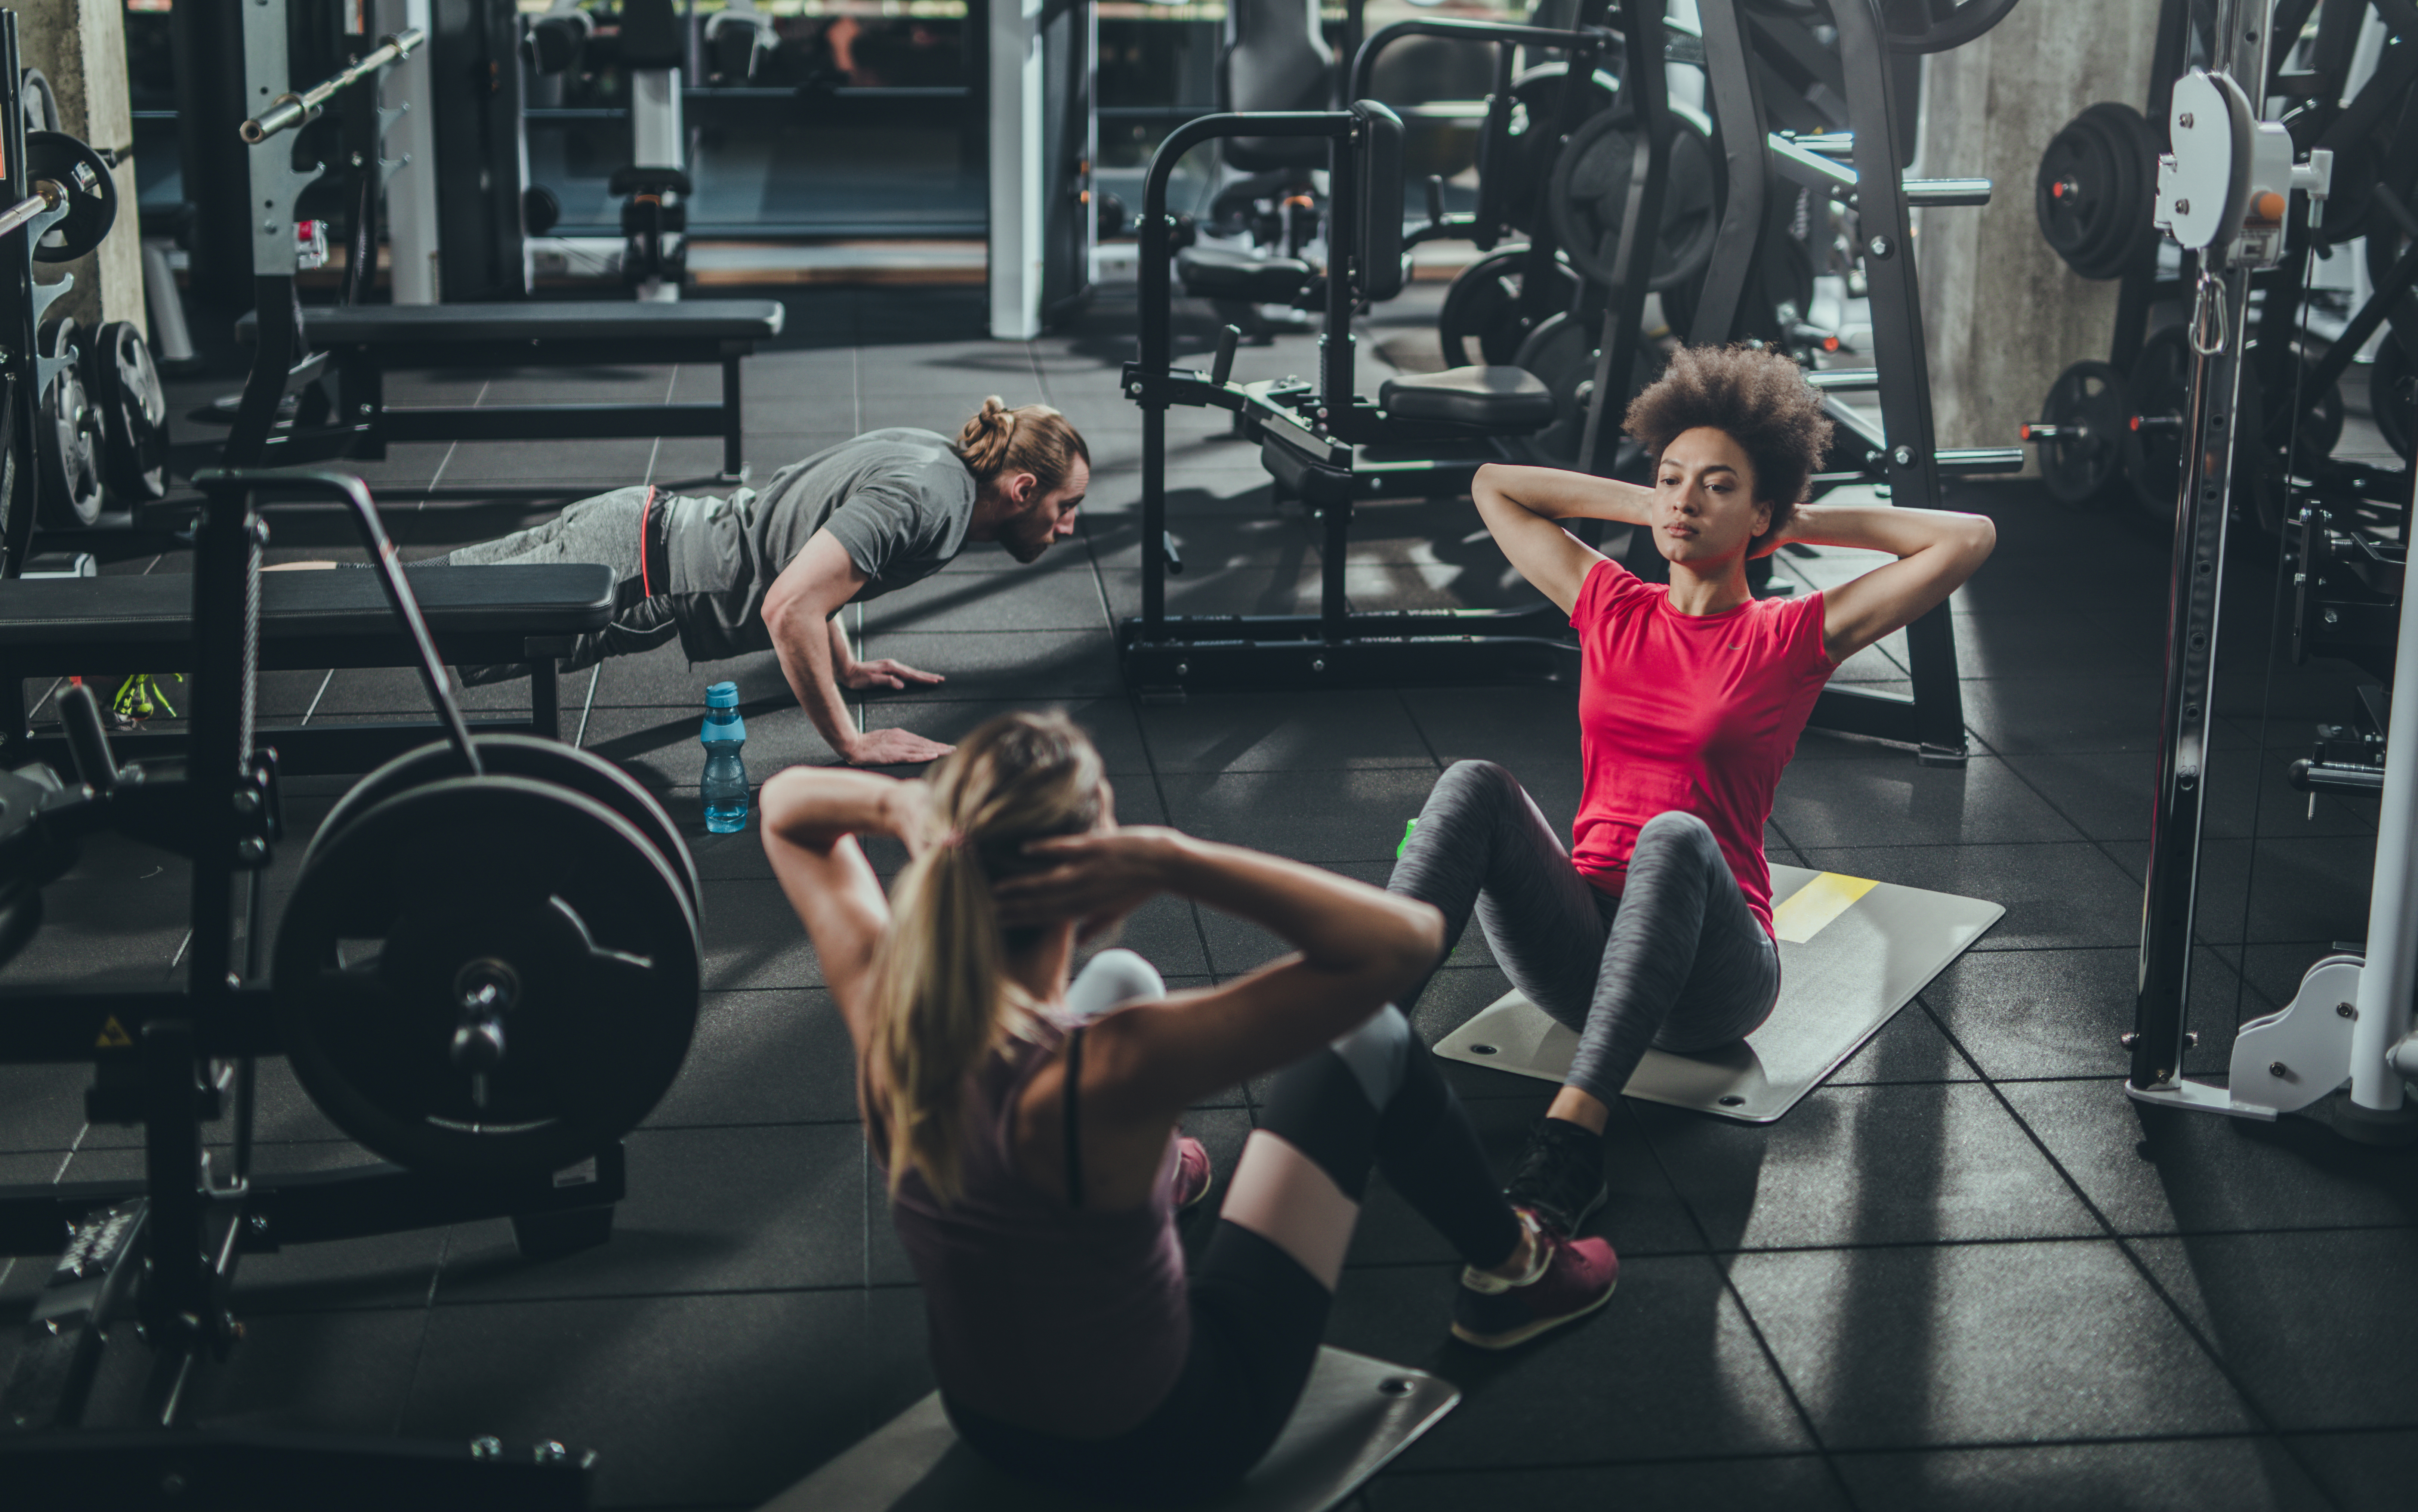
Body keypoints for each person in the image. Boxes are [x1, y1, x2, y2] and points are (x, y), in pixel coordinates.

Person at [760, 712, 1618, 1503]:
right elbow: (1405, 942)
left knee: (1121, 978)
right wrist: (1172, 856)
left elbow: (785, 804)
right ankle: (1519, 1272)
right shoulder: (1114, 1064)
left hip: (986, 1422)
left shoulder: (890, 1013)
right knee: (1369, 1037)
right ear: (1102, 888)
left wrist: (905, 806)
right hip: (1169, 1440)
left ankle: (1144, 1180)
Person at [1391, 343, 1995, 1238]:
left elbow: (1966, 537)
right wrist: (1653, 500)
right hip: (1578, 954)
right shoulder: (1613, 603)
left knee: (1674, 836)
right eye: (1672, 478)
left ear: (1760, 509)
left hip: (1711, 983)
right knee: (1473, 783)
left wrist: (1797, 520)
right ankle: (1354, 1036)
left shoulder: (1792, 636)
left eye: (1717, 485)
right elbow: (1494, 486)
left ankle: (1572, 1142)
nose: (1683, 499)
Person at [284, 398, 1090, 764]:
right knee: (403, 613)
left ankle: (227, 600)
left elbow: (809, 553)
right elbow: (789, 605)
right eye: (1065, 507)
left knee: (401, 595)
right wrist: (849, 737)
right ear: (1022, 489)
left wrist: (844, 665)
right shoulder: (930, 500)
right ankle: (206, 612)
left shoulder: (931, 460)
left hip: (643, 536)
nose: (1067, 527)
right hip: (634, 564)